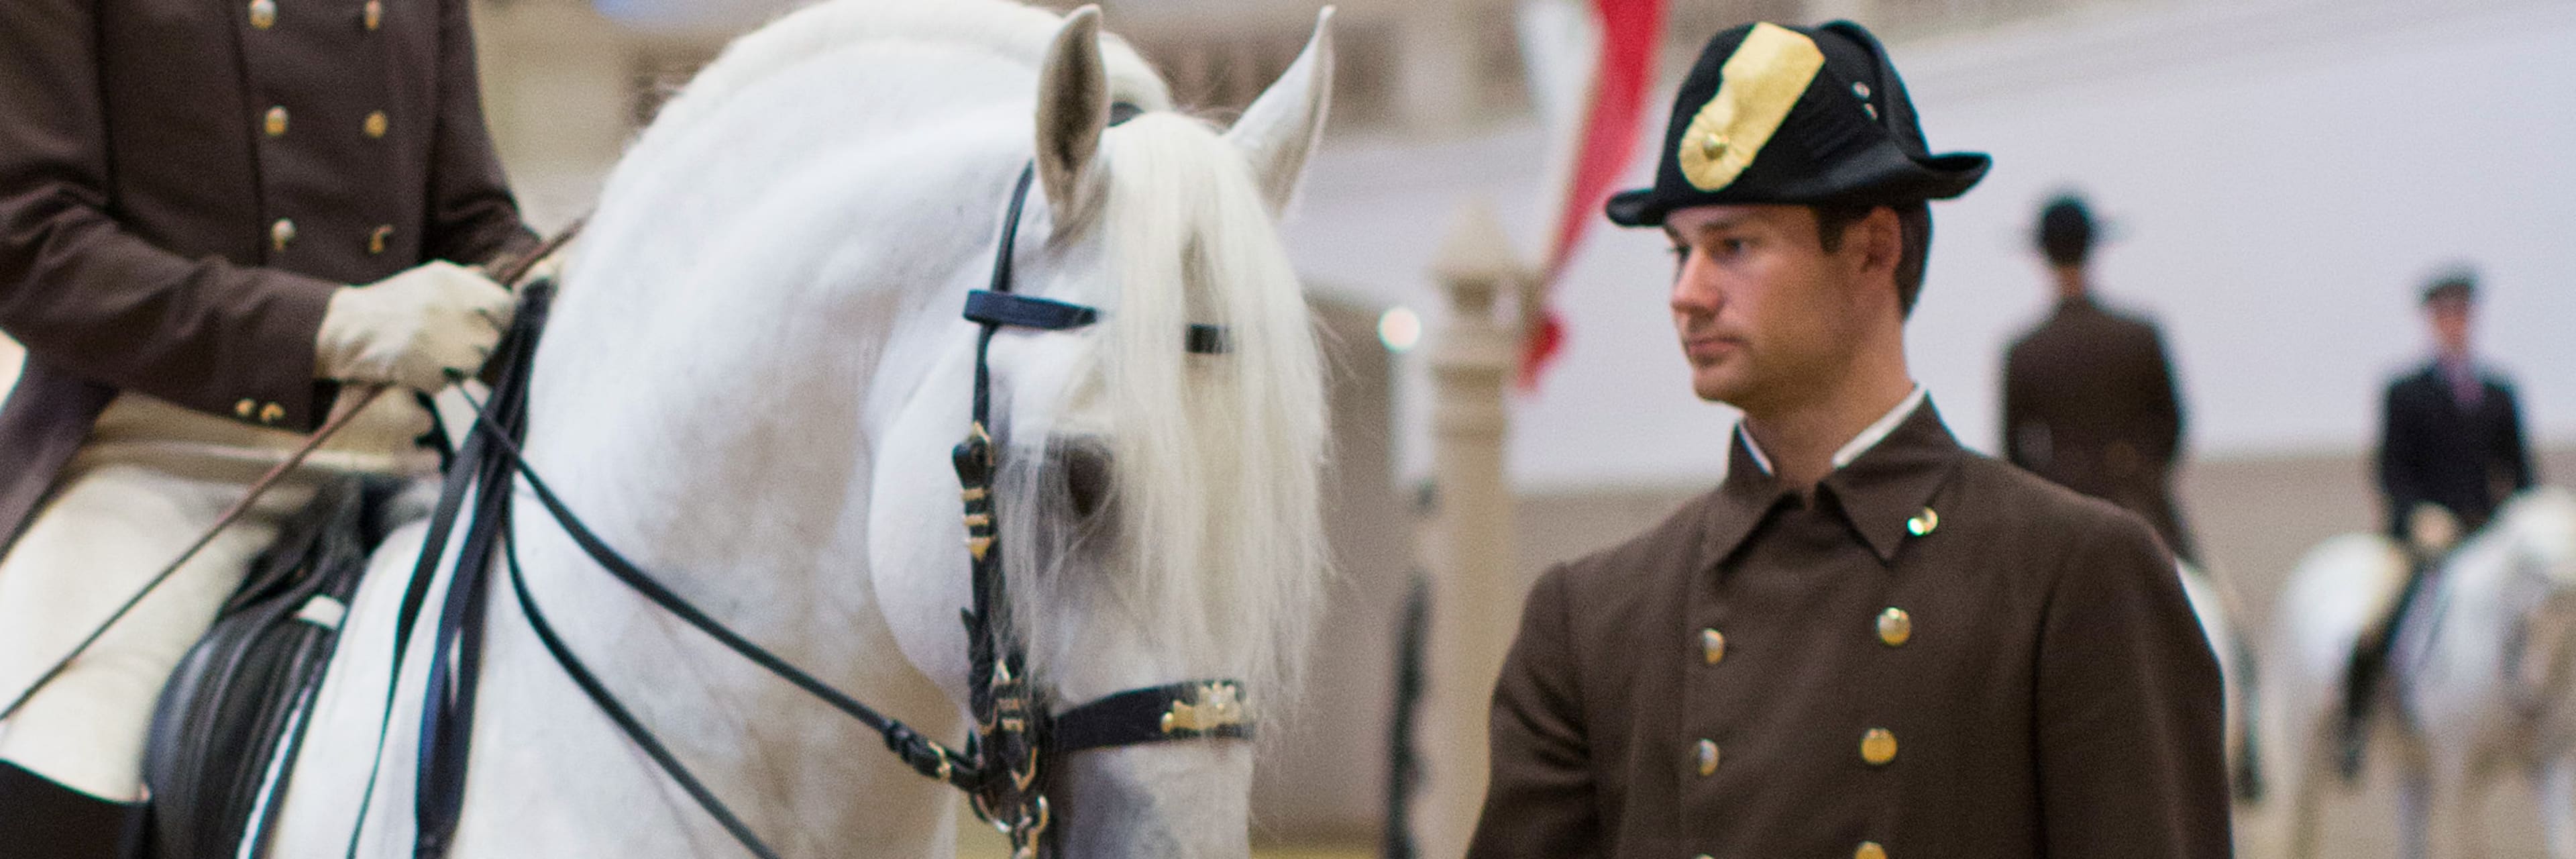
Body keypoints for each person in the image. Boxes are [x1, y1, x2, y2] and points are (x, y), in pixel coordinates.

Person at [1467, 20, 2229, 859]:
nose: (1687, 292)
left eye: (1735, 245)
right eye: (1678, 252)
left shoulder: (2076, 577)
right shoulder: (1590, 616)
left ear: (1872, 249)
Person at [0, 0, 535, 852]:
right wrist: (328, 327)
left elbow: (472, 225)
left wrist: (558, 283)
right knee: (61, 745)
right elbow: (30, 243)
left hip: (396, 452)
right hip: (163, 452)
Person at [2339, 268, 2536, 776]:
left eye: (2463, 313)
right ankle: (2356, 724)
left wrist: (2521, 525)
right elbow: (2391, 470)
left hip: (2486, 534)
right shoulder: (2405, 391)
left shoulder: (2498, 392)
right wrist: (2417, 516)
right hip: (2425, 535)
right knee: (2378, 615)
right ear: (2432, 320)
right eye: (2445, 314)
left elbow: (2520, 476)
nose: (2455, 323)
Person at [2000, 193, 2197, 562]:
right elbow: (2171, 426)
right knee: (2200, 600)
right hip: (2139, 502)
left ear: (2043, 256)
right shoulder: (2139, 335)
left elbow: (2014, 453)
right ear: (2093, 248)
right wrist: (2140, 471)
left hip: (2061, 513)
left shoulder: (2026, 351)